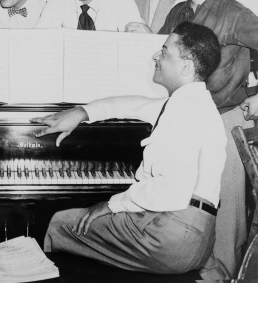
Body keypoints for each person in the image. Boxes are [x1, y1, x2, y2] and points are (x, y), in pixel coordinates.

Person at [32, 22, 225, 275]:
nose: (156, 56)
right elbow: (130, 104)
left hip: (173, 236)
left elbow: (170, 192)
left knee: (61, 224)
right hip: (197, 235)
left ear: (186, 66)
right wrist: (81, 112)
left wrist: (112, 204)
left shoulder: (185, 113)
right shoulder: (191, 103)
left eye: (165, 52)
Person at [155, 0, 258, 281]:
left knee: (225, 203)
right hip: (184, 116)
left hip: (225, 117)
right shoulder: (176, 14)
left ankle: (227, 277)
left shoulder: (236, 14)